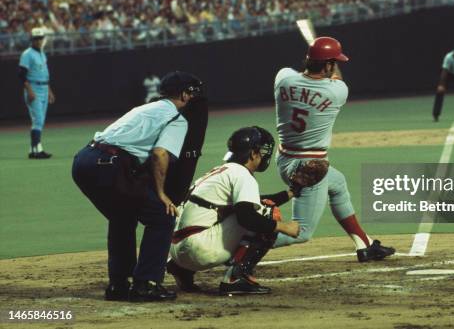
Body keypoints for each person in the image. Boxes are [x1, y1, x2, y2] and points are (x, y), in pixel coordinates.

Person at [72, 71, 203, 302]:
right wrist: (161, 194)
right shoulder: (176, 118)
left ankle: (119, 284)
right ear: (184, 94)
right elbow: (160, 154)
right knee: (162, 216)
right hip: (111, 165)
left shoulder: (144, 108)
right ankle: (146, 283)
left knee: (122, 216)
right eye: (191, 92)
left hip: (84, 160)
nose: (193, 97)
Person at [272, 36, 395, 262]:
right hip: (309, 166)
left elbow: (295, 72)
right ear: (328, 65)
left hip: (285, 158)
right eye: (333, 62)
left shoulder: (283, 79)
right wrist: (328, 64)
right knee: (301, 232)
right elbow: (335, 78)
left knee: (337, 184)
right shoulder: (337, 91)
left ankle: (364, 244)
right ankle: (236, 249)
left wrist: (315, 60)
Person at [167, 126, 300, 295]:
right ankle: (236, 278)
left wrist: (292, 192)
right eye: (261, 150)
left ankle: (181, 270)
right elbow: (248, 216)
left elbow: (253, 202)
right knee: (267, 213)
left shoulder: (222, 171)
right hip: (198, 250)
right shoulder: (242, 174)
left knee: (256, 209)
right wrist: (284, 227)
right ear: (252, 153)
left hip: (177, 250)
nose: (263, 155)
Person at [18, 27, 56, 159]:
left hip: (44, 88)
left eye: (41, 38)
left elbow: (44, 73)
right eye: (36, 39)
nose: (39, 41)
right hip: (33, 88)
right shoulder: (27, 54)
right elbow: (22, 75)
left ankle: (32, 149)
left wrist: (49, 91)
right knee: (38, 120)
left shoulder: (41, 53)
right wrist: (29, 90)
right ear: (32, 40)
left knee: (39, 120)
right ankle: (37, 149)